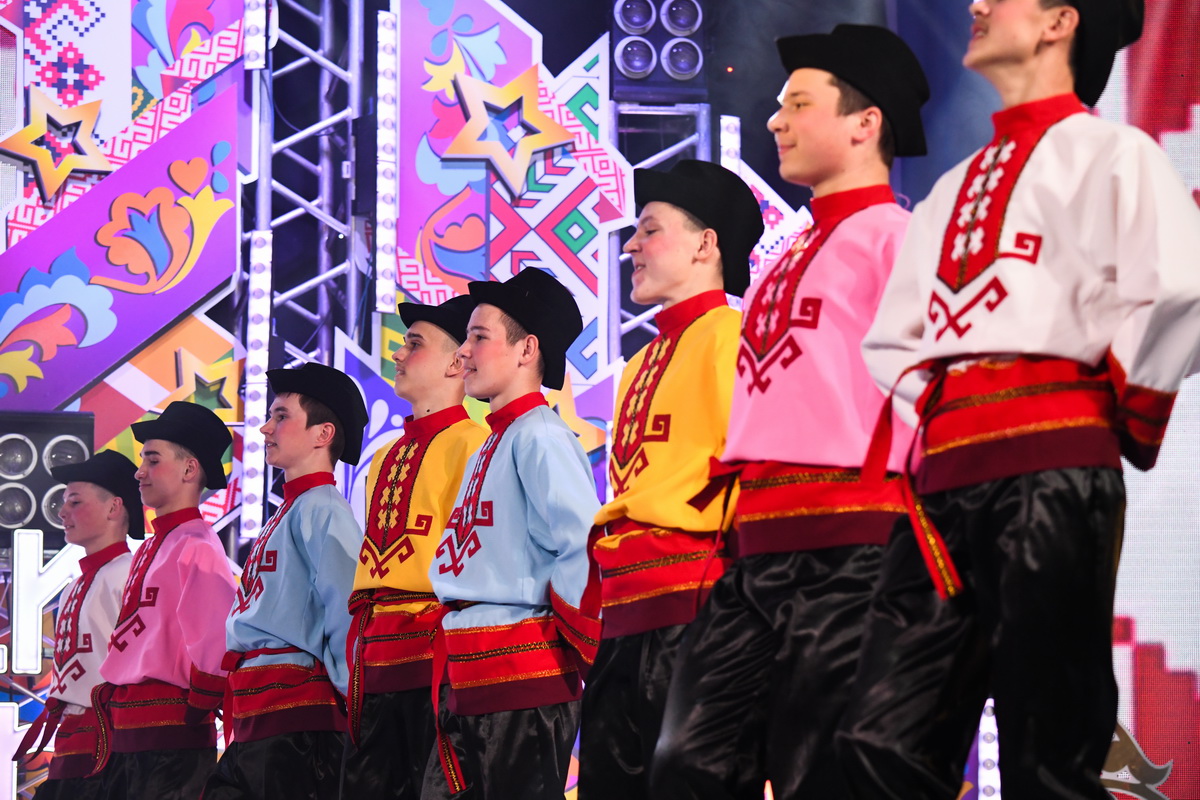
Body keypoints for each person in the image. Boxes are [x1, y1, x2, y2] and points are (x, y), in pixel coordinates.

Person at [838, 2, 1200, 798]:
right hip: (943, 490)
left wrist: (1104, 411)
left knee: (1048, 743)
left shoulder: (1113, 155)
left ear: (1058, 22)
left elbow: (1179, 286)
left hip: (1050, 474)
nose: (976, 5)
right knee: (879, 736)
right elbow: (891, 342)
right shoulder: (950, 189)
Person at [650, 25, 931, 798]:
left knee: (820, 771)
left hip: (852, 548)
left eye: (799, 104)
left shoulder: (899, 240)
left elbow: (932, 393)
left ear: (865, 123)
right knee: (688, 761)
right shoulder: (785, 255)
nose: (776, 120)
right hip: (754, 549)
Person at [577, 159, 763, 799]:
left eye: (649, 230)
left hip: (696, 613)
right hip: (624, 617)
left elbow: (755, 478)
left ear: (706, 244)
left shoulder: (736, 338)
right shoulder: (640, 362)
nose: (630, 246)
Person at [423, 267, 600, 800]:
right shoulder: (494, 440)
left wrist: (578, 654)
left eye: (479, 337)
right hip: (468, 674)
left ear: (527, 349)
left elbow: (580, 548)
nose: (463, 353)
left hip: (520, 679)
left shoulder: (541, 436)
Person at [342, 295, 488, 800]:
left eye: (414, 344)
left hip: (435, 665)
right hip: (374, 662)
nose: (398, 354)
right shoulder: (383, 457)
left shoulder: (475, 445)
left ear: (456, 363)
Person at [203, 362, 368, 799]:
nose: (265, 428)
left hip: (295, 722)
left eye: (281, 416)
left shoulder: (324, 510)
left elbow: (347, 616)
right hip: (260, 713)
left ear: (323, 434)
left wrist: (353, 712)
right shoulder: (292, 510)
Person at [91, 401, 238, 799]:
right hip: (130, 733)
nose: (139, 471)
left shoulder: (198, 546)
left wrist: (192, 715)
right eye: (143, 460)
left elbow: (215, 646)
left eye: (152, 460)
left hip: (170, 740)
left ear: (190, 470)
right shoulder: (152, 546)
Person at [12, 451, 140, 799]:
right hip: (71, 742)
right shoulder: (75, 585)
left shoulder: (131, 576)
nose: (62, 511)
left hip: (108, 746)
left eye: (75, 501)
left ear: (114, 507)